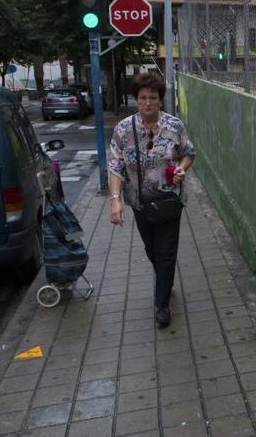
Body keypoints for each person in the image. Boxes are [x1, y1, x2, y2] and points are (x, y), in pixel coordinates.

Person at [107, 73, 195, 327]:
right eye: (143, 98)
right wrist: (115, 200)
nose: (147, 103)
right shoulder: (123, 130)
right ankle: (165, 280)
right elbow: (115, 167)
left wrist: (181, 169)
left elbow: (189, 153)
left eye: (153, 98)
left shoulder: (174, 126)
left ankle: (162, 305)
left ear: (160, 101)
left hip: (168, 201)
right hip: (140, 203)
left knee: (166, 252)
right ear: (136, 100)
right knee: (152, 250)